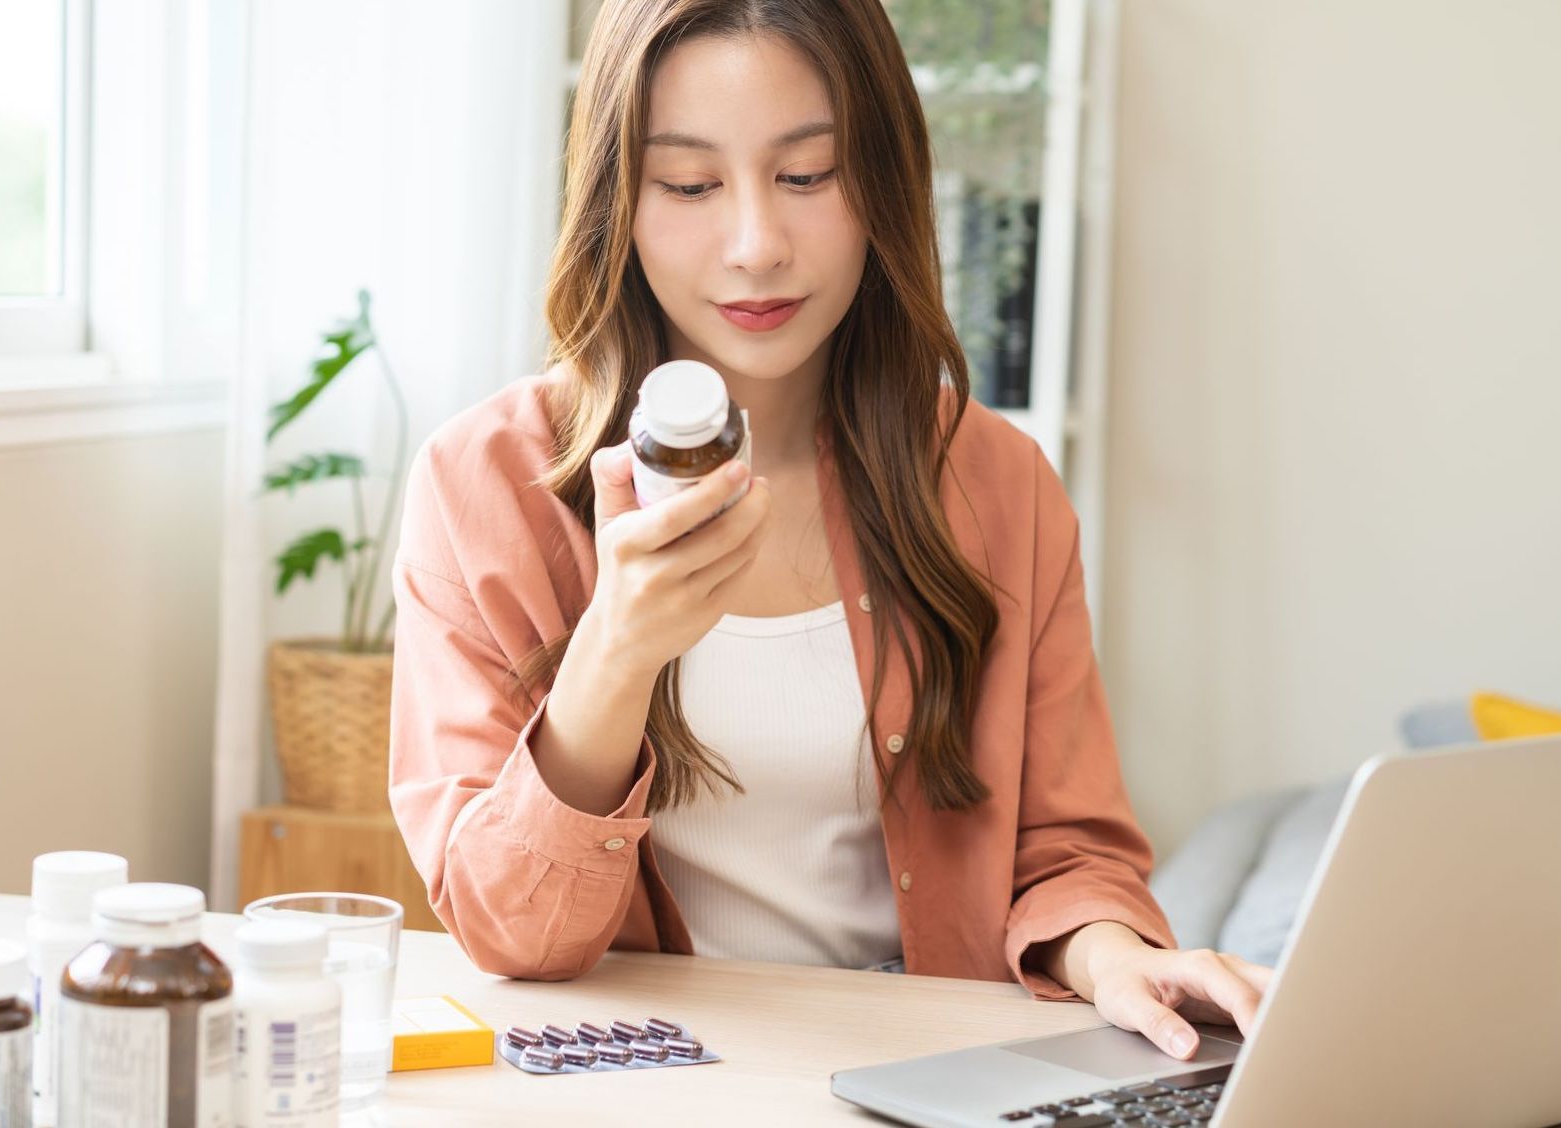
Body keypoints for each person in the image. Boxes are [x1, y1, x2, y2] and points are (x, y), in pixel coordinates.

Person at [388, 0, 1272, 1062]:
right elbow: (508, 931)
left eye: (807, 176)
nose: (756, 245)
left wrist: (1111, 952)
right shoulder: (484, 485)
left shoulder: (995, 484)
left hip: (919, 1081)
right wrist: (615, 653)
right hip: (641, 1087)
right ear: (617, 203)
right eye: (688, 185)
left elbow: (1063, 850)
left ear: (884, 185)